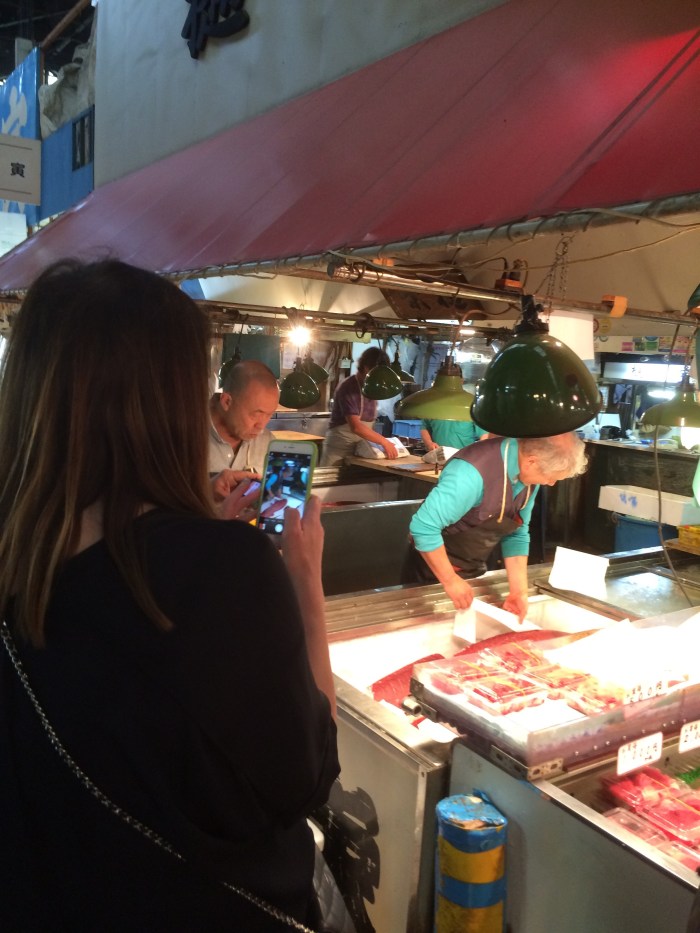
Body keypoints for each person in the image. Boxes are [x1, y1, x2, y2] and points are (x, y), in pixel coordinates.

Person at [0, 259, 339, 931]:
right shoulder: (223, 572)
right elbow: (308, 777)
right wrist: (304, 579)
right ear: (168, 404)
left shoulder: (18, 561)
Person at [406, 433, 587, 621]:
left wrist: (518, 592)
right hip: (432, 568)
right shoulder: (471, 473)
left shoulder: (530, 474)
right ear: (532, 462)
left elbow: (517, 533)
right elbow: (423, 528)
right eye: (550, 477)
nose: (550, 483)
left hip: (475, 564)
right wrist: (450, 580)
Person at [321, 346, 400, 466]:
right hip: (339, 451)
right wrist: (384, 442)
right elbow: (356, 427)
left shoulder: (372, 388)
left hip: (361, 451)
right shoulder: (348, 387)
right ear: (366, 368)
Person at [208, 359, 279, 475]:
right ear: (227, 402)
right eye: (256, 414)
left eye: (269, 415)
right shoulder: (188, 437)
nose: (261, 426)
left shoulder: (268, 443)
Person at [420, 417, 488, 452]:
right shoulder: (433, 406)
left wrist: (478, 453)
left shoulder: (469, 407)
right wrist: (429, 443)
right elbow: (424, 427)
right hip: (438, 459)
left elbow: (484, 436)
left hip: (464, 459)